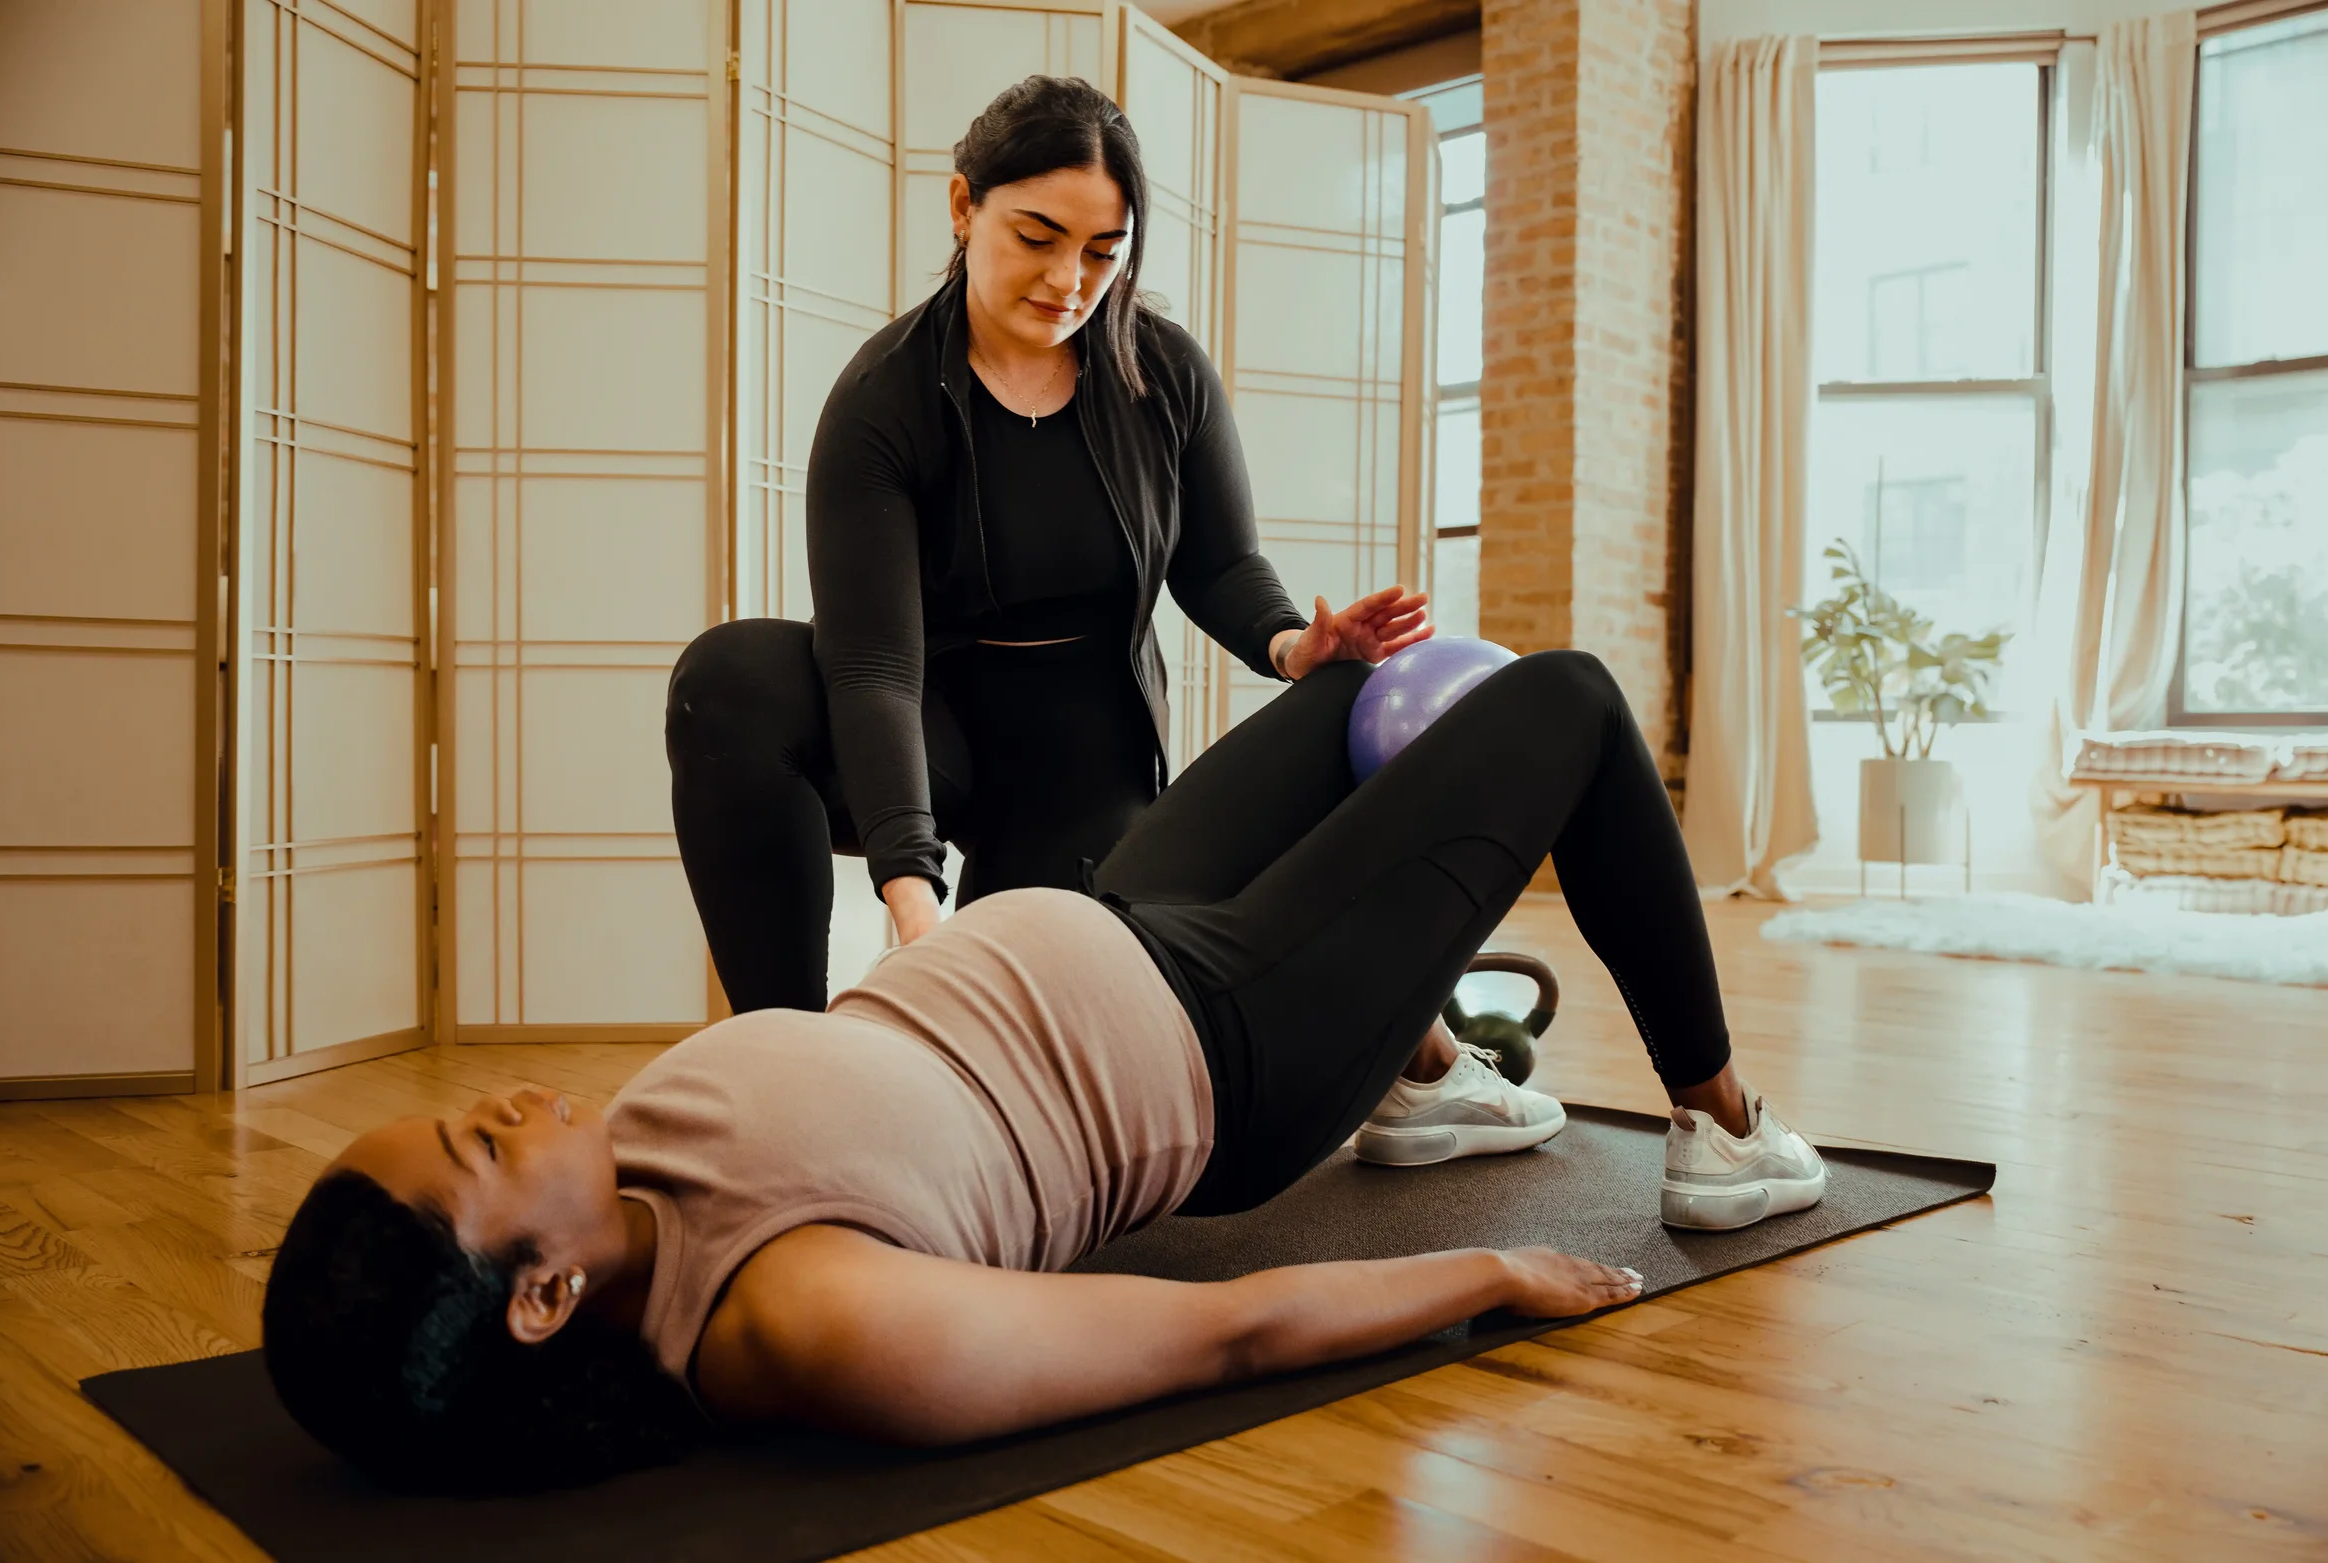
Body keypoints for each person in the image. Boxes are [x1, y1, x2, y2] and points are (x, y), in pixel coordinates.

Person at [262, 648, 1827, 1493]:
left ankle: (1423, 1076)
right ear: (538, 1295)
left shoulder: (634, 1171)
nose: (513, 1100)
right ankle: (1723, 1124)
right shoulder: (806, 1318)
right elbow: (1219, 1331)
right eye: (479, 1142)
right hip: (1233, 1046)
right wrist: (1489, 1269)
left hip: (1129, 918)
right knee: (1563, 702)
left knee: (1365, 680)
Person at [667, 75, 1430, 1016]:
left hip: (1084, 750)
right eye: (1037, 237)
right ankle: (780, 1049)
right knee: (730, 676)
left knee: (1055, 1015)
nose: (1070, 280)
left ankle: (1414, 1050)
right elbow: (871, 669)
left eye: (1104, 252)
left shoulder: (1164, 373)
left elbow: (1220, 562)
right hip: (931, 727)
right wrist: (913, 902)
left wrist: (1289, 644)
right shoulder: (883, 402)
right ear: (963, 206)